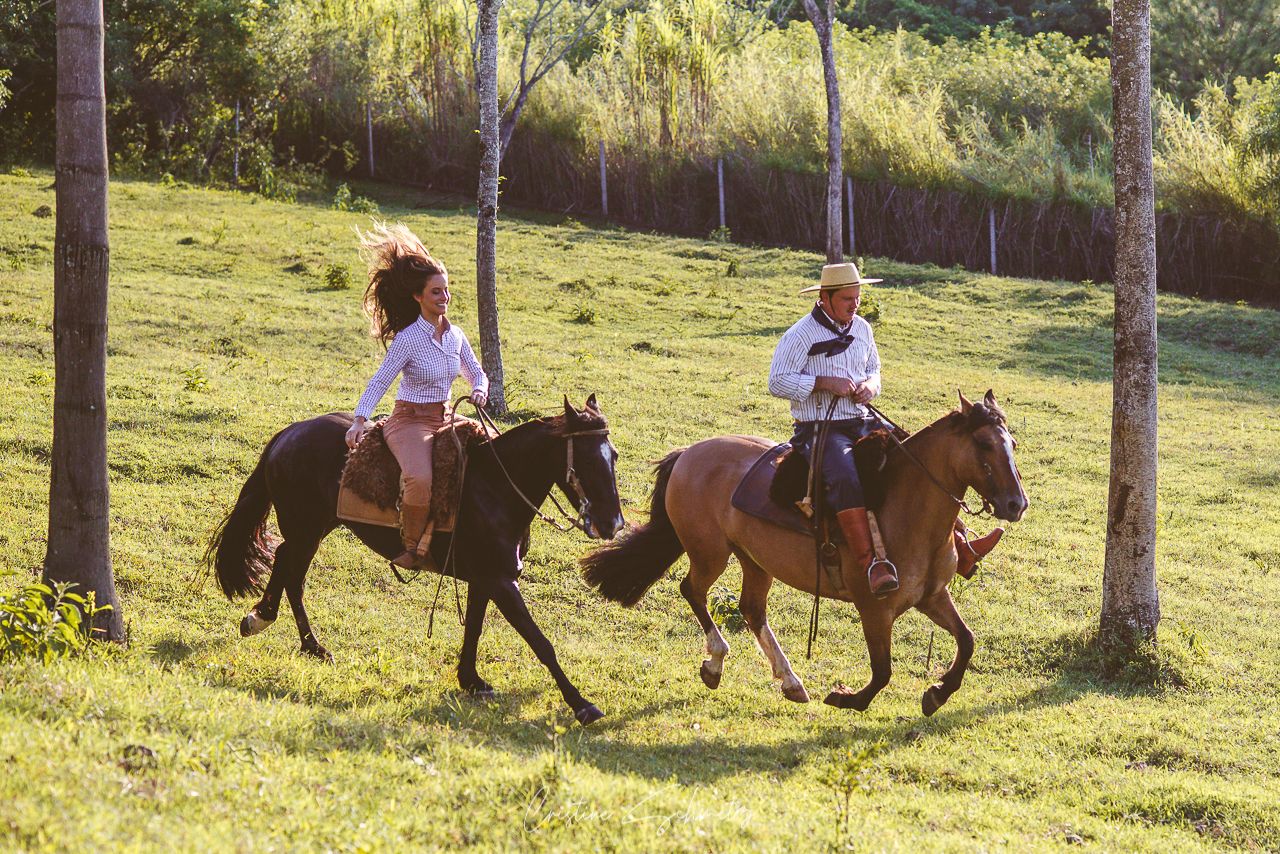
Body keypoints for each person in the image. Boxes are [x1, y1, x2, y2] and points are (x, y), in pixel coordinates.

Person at [768, 263, 1002, 597]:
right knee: (846, 476)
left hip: (861, 419)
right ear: (825, 297)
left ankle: (961, 545)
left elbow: (874, 370)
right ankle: (871, 564)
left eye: (857, 298)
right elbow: (777, 381)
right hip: (820, 428)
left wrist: (868, 387)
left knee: (916, 456)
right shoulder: (801, 334)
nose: (854, 304)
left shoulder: (862, 328)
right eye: (847, 298)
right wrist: (822, 382)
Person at [344, 223, 488, 570]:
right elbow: (380, 381)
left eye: (446, 290)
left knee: (495, 453)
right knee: (419, 478)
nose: (444, 298)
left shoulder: (456, 336)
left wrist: (480, 389)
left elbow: (476, 371)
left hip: (446, 416)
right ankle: (412, 548)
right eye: (436, 292)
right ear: (418, 297)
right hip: (409, 421)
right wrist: (359, 420)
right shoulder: (408, 339)